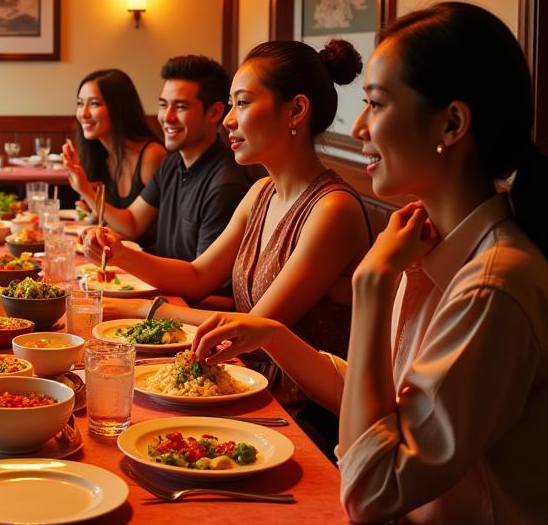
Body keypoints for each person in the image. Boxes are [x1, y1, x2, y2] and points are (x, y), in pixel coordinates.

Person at [190, 3, 548, 525]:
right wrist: (273, 335)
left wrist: (372, 286)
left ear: (452, 124)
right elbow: (377, 400)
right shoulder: (427, 246)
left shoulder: (493, 285)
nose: (356, 129)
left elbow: (372, 485)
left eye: (376, 106)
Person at [88, 39, 371, 448]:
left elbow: (252, 328)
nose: (229, 121)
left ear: (296, 111)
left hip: (306, 420)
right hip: (249, 389)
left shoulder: (332, 209)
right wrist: (118, 252)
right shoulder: (261, 192)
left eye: (242, 103)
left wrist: (142, 309)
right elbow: (198, 275)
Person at [66, 55, 250, 262]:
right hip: (163, 291)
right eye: (163, 105)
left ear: (215, 112)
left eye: (180, 107)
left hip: (182, 295)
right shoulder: (172, 163)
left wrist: (123, 256)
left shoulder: (225, 184)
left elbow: (200, 281)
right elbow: (134, 223)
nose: (167, 117)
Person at [61, 68, 166, 214]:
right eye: (80, 103)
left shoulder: (151, 155)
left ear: (119, 108)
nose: (83, 113)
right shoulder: (99, 154)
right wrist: (90, 206)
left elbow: (135, 229)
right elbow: (105, 221)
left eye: (94, 104)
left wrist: (86, 191)